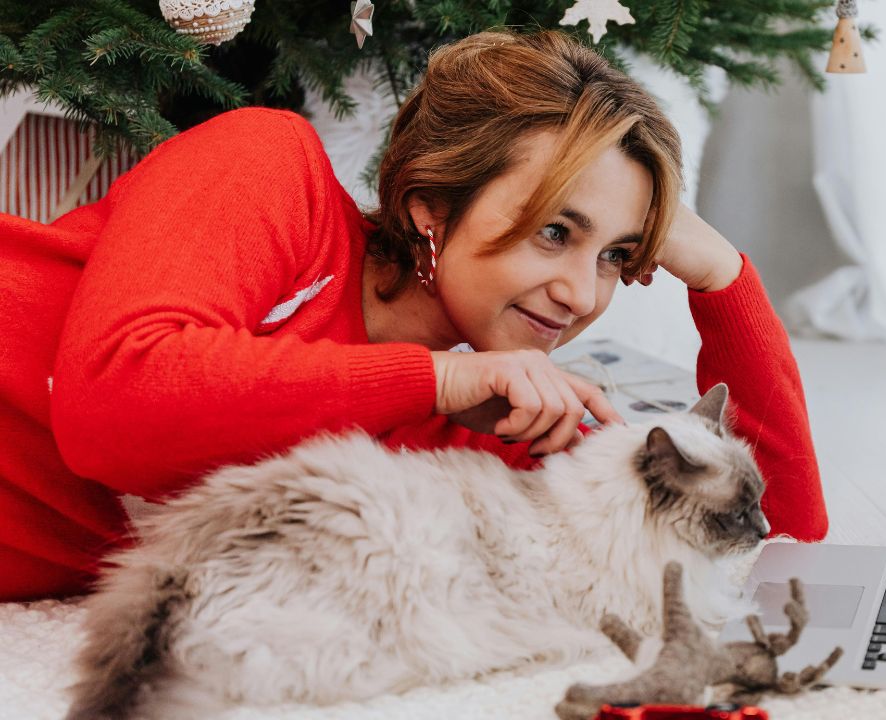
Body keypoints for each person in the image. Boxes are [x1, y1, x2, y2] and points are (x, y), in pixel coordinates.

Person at [0, 30, 827, 602]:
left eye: (616, 254)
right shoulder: (265, 168)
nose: (582, 293)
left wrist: (723, 278)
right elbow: (116, 402)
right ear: (432, 208)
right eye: (554, 231)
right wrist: (434, 377)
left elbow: (766, 539)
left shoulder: (489, 420)